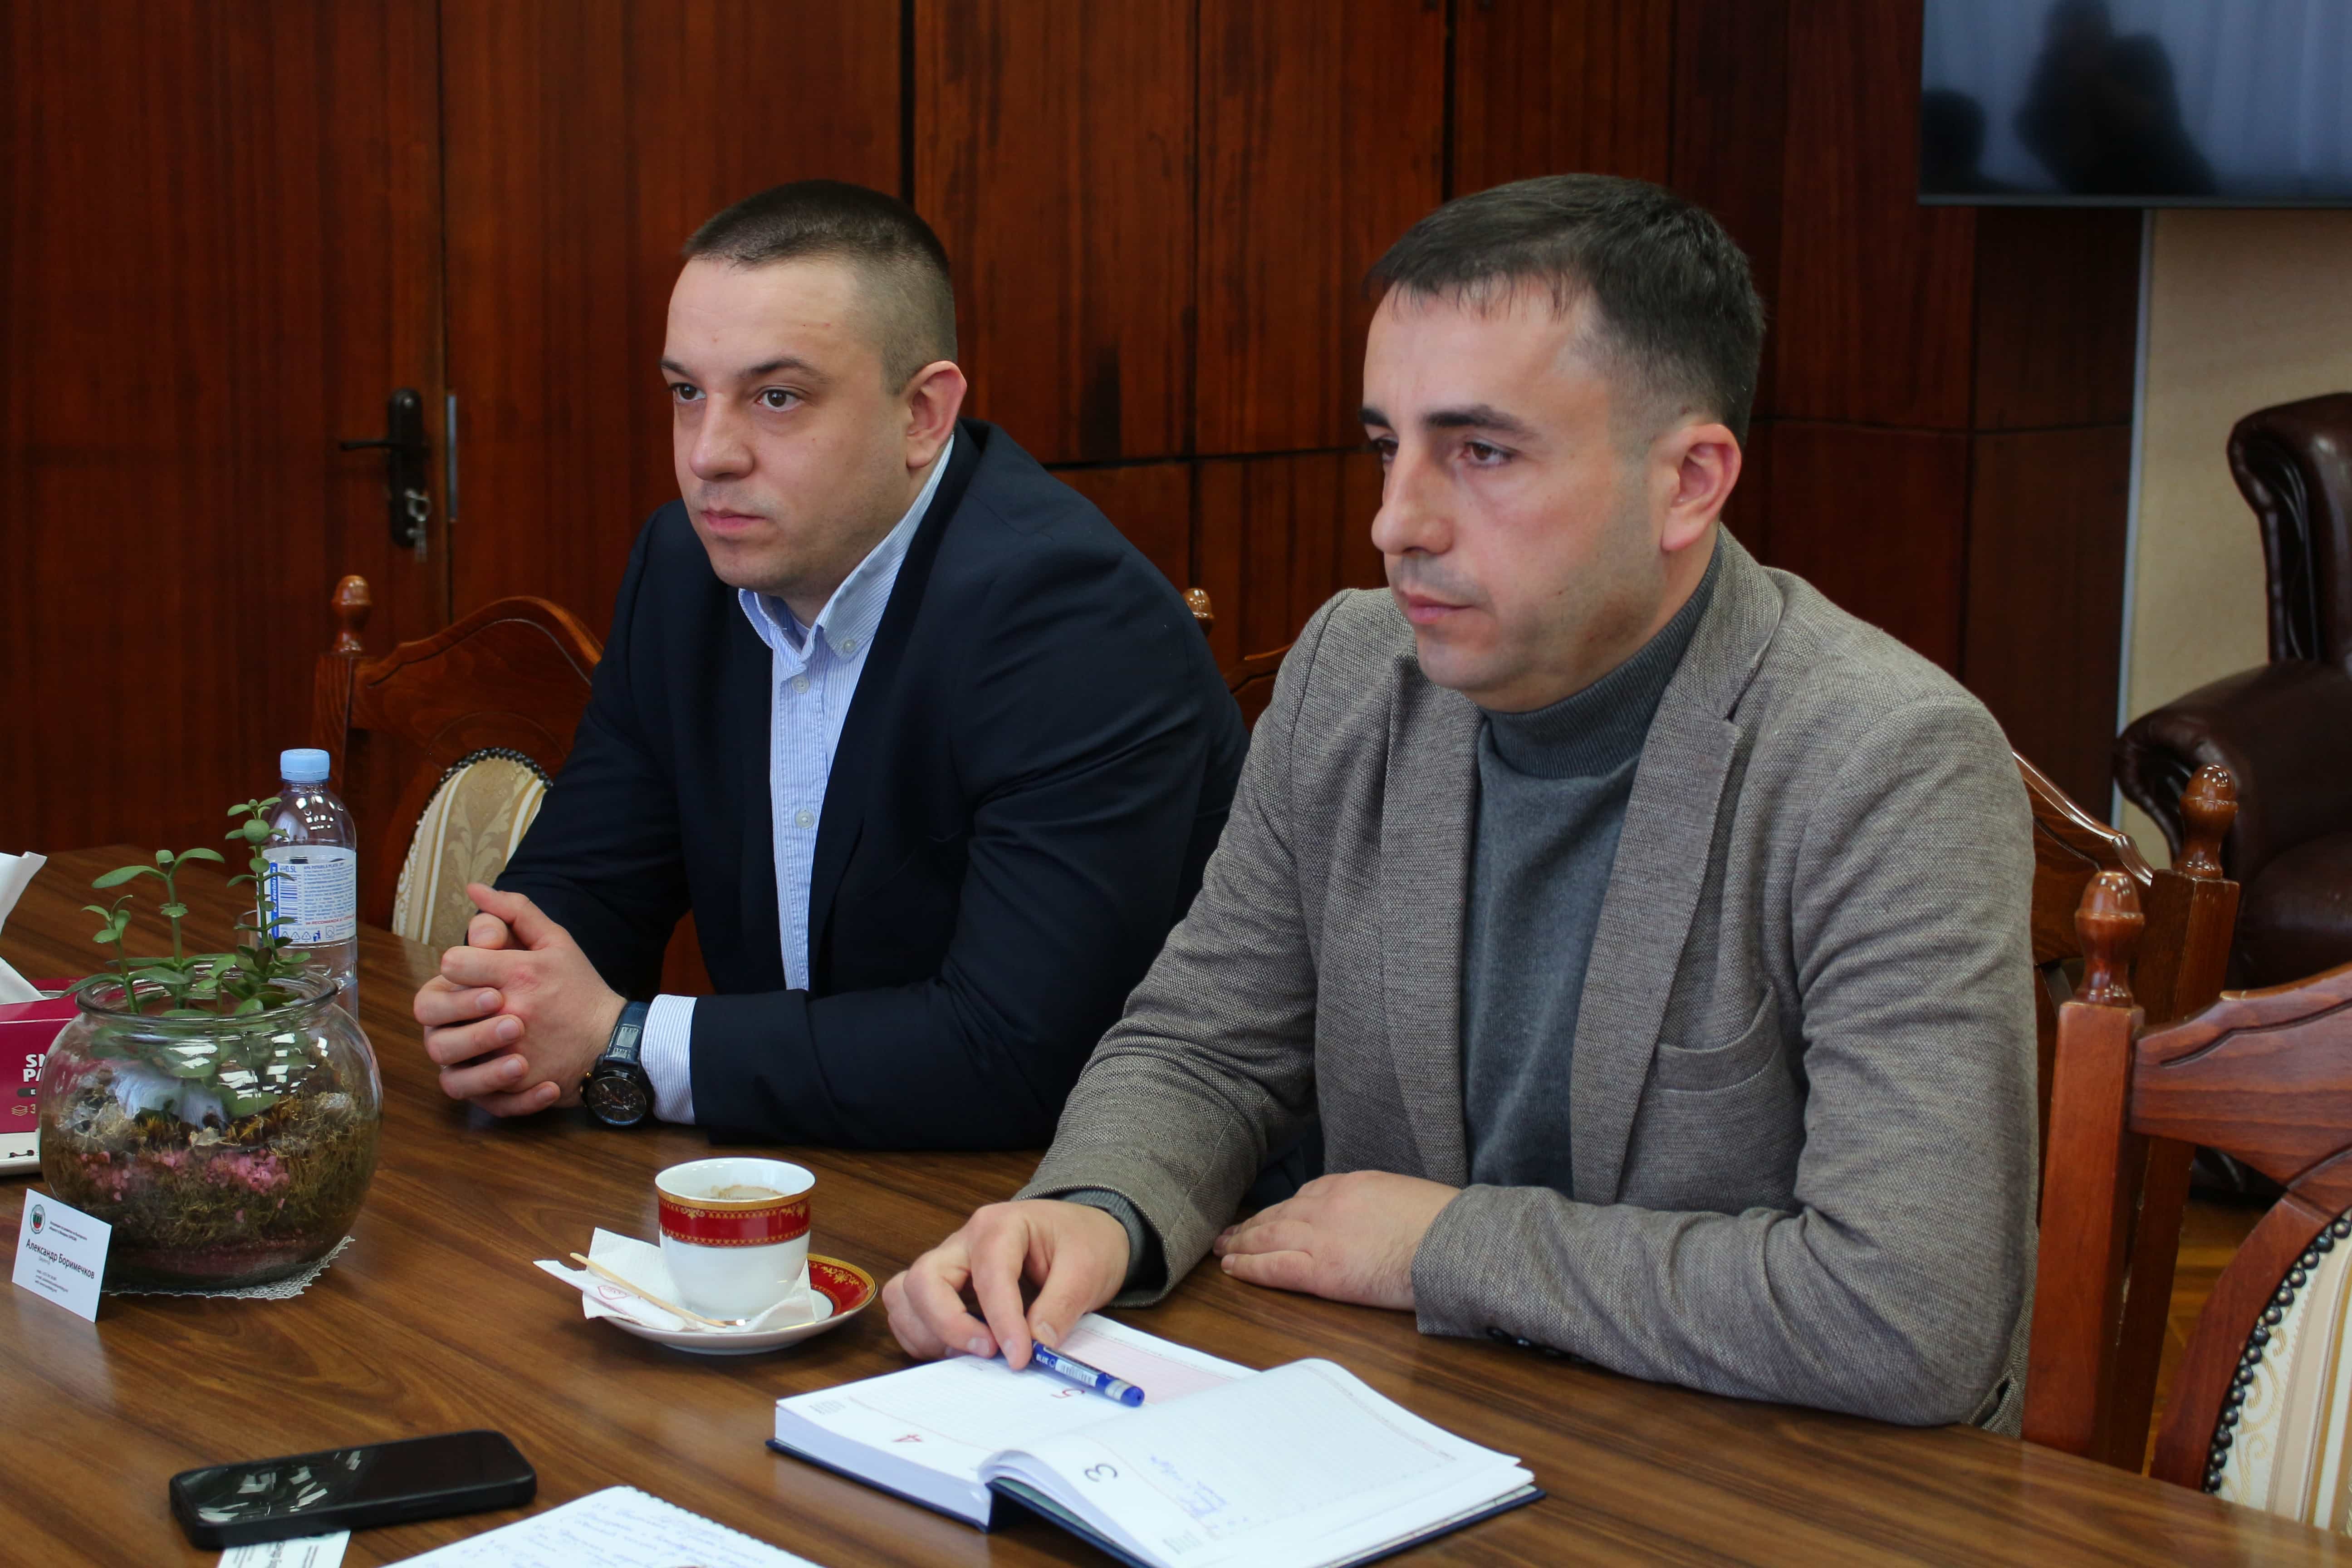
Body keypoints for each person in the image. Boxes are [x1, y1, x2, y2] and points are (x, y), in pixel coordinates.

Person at [884, 174, 2038, 1430]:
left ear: (1689, 482)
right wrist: (1094, 1210)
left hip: (1760, 1473)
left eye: (1481, 452)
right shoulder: (1349, 671)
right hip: (1407, 1433)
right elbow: (1207, 1047)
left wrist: (1443, 1247)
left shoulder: (1887, 760)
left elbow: (1907, 1313)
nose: (1396, 521)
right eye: (1389, 446)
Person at [409, 181, 1246, 1147]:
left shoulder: (1070, 615)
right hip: (784, 1162)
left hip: (1035, 1191)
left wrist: (626, 1040)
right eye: (687, 393)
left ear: (922, 413)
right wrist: (503, 999)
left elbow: (1017, 1051)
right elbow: (591, 881)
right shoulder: (684, 568)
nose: (710, 455)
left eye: (777, 398)